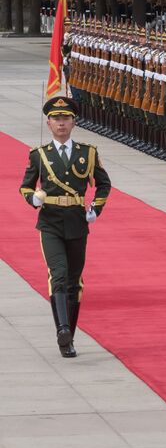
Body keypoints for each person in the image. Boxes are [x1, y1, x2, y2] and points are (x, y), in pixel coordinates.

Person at [18, 95, 112, 358]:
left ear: (73, 122)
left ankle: (69, 333)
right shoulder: (38, 155)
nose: (61, 123)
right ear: (48, 123)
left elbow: (104, 184)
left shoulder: (88, 153)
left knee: (74, 281)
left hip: (76, 222)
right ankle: (62, 331)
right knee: (58, 274)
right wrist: (32, 198)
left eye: (66, 119)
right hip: (50, 221)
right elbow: (25, 186)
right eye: (56, 119)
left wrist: (96, 208)